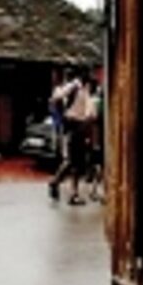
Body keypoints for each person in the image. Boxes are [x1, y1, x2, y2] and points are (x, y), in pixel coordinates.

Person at [47, 70, 94, 205]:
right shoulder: (74, 86)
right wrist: (63, 117)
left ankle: (71, 193)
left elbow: (87, 110)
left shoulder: (84, 89)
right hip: (73, 125)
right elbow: (55, 97)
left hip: (80, 126)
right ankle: (57, 183)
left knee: (76, 163)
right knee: (72, 161)